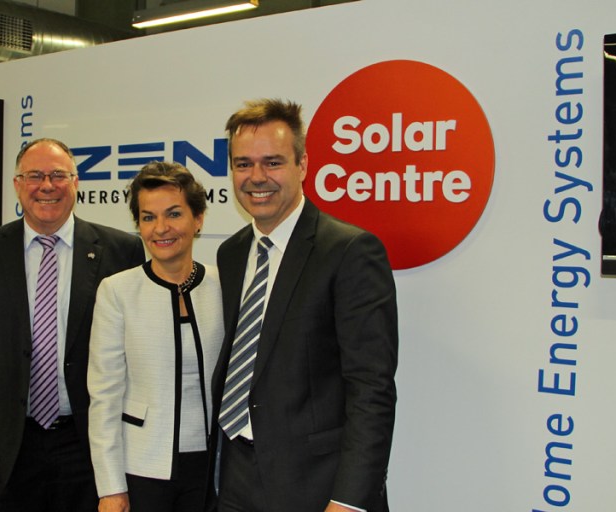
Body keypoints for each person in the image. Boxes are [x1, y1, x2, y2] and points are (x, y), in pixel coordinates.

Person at [209, 99, 399, 512]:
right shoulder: (231, 253)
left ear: (303, 165)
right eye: (243, 164)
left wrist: (348, 501)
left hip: (315, 487)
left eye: (272, 162)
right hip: (235, 476)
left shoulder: (349, 251)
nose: (256, 177)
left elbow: (372, 390)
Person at [0, 138, 145, 512]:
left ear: (76, 182)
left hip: (86, 441)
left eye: (58, 175)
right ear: (17, 184)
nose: (47, 186)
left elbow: (135, 353)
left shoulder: (121, 251)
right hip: (8, 440)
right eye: (35, 176)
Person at [87, 162, 223, 512]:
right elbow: (104, 397)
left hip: (213, 468)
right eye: (148, 217)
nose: (161, 228)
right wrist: (110, 487)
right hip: (142, 467)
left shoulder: (224, 285)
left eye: (174, 214)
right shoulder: (117, 291)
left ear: (198, 218)